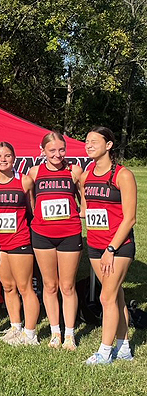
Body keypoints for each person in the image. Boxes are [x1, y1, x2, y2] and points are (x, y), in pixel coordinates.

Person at [81, 127, 137, 364]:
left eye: (94, 141)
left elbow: (130, 218)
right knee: (116, 297)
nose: (89, 145)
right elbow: (87, 209)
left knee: (106, 297)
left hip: (118, 247)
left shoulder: (123, 175)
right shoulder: (86, 175)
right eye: (87, 141)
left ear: (109, 145)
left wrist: (111, 249)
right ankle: (124, 348)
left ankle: (104, 352)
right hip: (95, 246)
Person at [28, 131, 83, 350]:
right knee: (49, 285)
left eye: (61, 150)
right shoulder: (34, 172)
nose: (57, 154)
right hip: (42, 235)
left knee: (67, 286)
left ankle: (69, 334)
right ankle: (55, 332)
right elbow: (31, 202)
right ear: (42, 151)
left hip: (69, 233)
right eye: (52, 150)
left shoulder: (74, 171)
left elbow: (84, 200)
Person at [0, 142, 40, 345]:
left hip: (20, 239)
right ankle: (15, 327)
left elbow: (32, 211)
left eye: (7, 156)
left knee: (25, 287)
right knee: (8, 287)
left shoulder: (24, 181)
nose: (3, 159)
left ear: (14, 158)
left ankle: (30, 334)